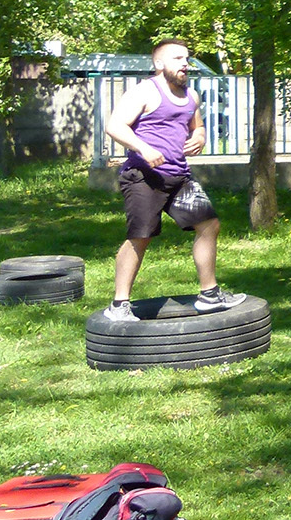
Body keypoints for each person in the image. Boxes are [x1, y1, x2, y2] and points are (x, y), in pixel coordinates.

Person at [101, 40, 245, 321]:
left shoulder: (191, 95)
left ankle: (209, 295)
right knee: (140, 237)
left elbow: (197, 126)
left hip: (179, 177)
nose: (185, 64)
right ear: (159, 64)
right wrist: (143, 148)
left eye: (186, 59)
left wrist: (200, 137)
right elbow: (114, 126)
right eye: (177, 58)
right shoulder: (144, 91)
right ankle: (119, 305)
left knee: (209, 224)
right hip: (144, 177)